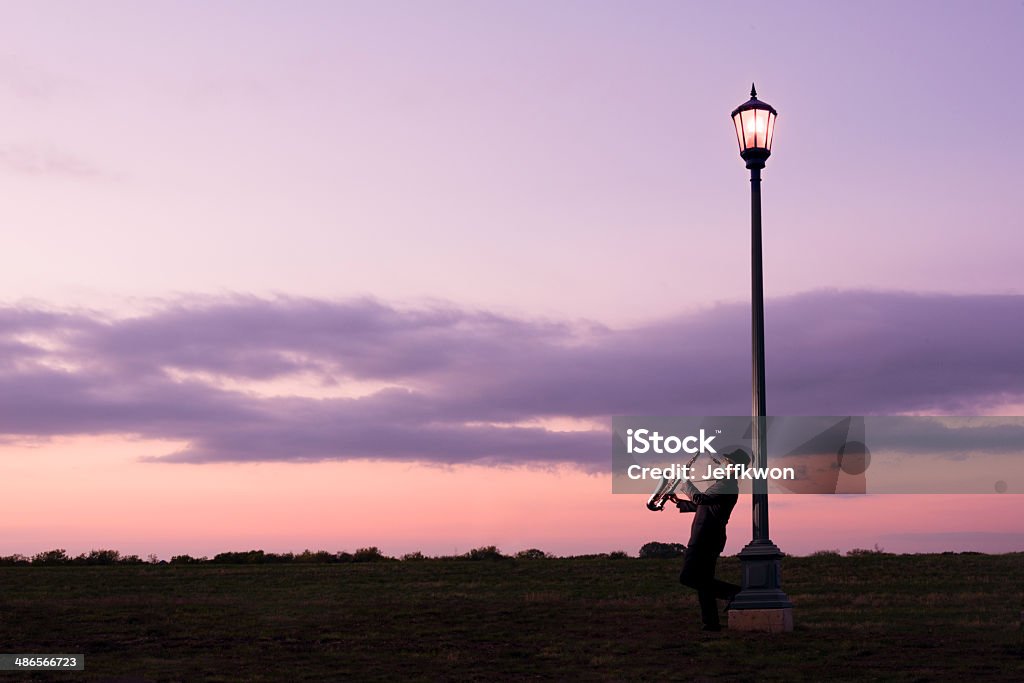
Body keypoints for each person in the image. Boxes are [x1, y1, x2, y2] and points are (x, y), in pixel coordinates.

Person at [666, 447, 750, 631]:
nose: (723, 465)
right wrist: (679, 502)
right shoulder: (724, 485)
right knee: (704, 582)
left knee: (688, 577)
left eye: (727, 462)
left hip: (705, 539)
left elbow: (700, 499)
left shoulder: (726, 485)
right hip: (709, 538)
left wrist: (684, 480)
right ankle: (711, 623)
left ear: (735, 467)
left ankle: (734, 593)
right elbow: (704, 505)